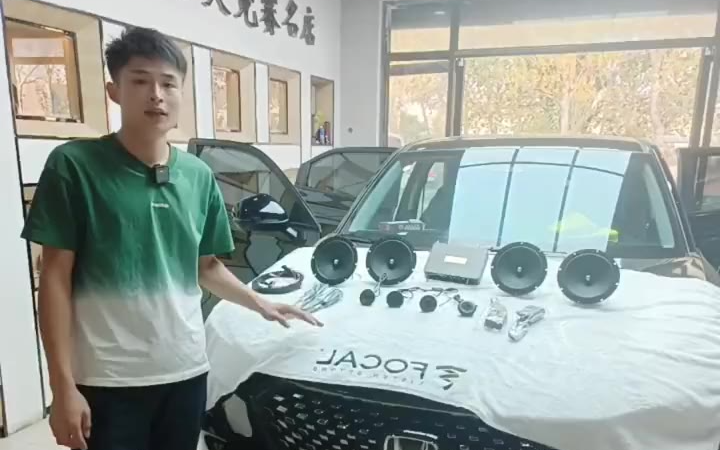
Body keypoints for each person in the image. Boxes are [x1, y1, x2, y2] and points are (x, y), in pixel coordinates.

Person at [21, 26, 322, 450]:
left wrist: (261, 303)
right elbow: (54, 278)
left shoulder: (198, 176)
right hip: (106, 378)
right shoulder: (75, 166)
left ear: (182, 94)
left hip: (185, 373)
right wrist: (62, 386)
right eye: (140, 81)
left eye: (168, 83)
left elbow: (207, 267)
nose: (156, 95)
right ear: (114, 91)